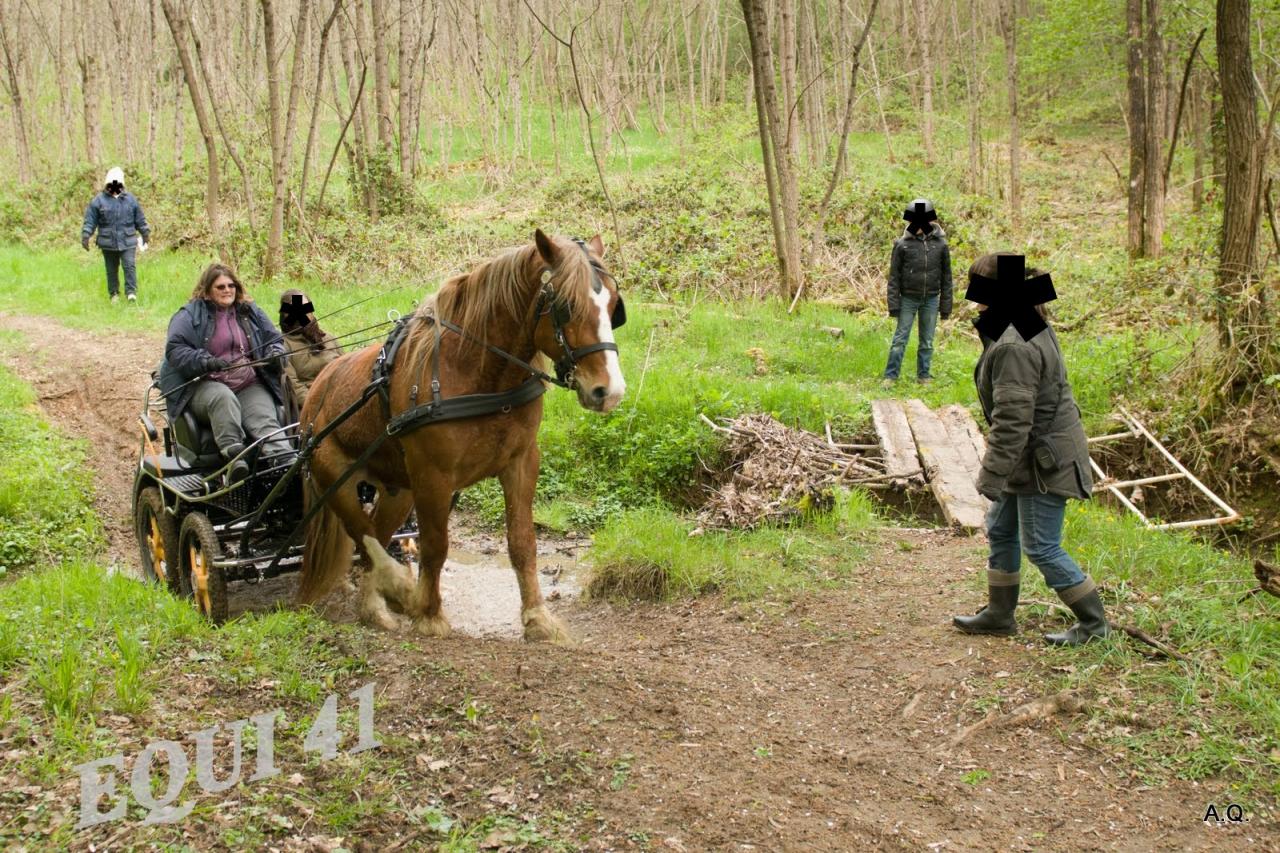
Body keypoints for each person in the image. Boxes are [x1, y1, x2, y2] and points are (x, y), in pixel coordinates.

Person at [952, 252, 1110, 646]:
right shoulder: (1022, 317)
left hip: (1043, 461)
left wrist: (990, 476)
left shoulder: (1014, 344)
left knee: (1041, 545)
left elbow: (1013, 421)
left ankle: (1094, 625)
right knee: (1001, 530)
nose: (975, 299)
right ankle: (1000, 615)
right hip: (1030, 456)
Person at [158, 263, 290, 482]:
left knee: (264, 416)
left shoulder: (250, 310)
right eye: (220, 287)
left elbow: (273, 338)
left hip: (246, 382)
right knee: (223, 398)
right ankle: (234, 457)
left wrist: (275, 353)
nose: (227, 290)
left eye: (231, 285)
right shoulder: (189, 315)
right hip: (203, 383)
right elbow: (175, 349)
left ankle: (284, 461)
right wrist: (206, 361)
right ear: (207, 290)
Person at [882, 198, 952, 388]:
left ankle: (924, 376)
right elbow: (894, 277)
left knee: (927, 342)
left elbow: (947, 278)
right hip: (908, 298)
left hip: (931, 298)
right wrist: (893, 305)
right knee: (900, 339)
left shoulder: (941, 245)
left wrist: (946, 307)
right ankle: (890, 376)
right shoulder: (902, 244)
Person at [81, 166, 151, 304]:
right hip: (108, 243)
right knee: (111, 270)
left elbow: (140, 219)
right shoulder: (98, 201)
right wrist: (86, 235)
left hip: (128, 240)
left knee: (129, 266)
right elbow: (90, 220)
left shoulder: (131, 200)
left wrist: (145, 233)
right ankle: (114, 294)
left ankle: (131, 293)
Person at [278, 288, 343, 416]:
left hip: (341, 394)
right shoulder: (283, 345)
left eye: (305, 308)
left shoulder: (329, 338)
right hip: (315, 406)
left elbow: (347, 367)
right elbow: (294, 387)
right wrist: (320, 405)